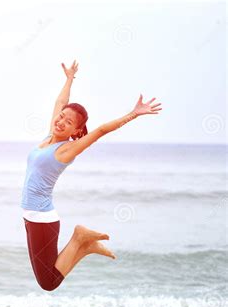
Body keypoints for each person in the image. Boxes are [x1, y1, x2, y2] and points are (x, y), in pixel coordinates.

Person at [21, 60, 162, 291]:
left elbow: (100, 130)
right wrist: (69, 79)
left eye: (68, 122)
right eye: (61, 117)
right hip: (32, 217)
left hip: (42, 220)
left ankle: (79, 238)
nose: (61, 121)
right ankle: (86, 247)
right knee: (48, 277)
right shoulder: (49, 137)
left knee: (48, 283)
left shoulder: (66, 150)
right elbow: (60, 102)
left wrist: (133, 114)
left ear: (76, 131)